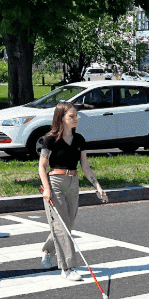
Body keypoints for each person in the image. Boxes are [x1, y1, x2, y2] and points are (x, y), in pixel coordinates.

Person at [38, 103, 108, 282]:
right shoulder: (50, 139)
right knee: (62, 227)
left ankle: (47, 249)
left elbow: (85, 166)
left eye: (76, 116)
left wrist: (97, 186)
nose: (76, 119)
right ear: (61, 118)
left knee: (66, 224)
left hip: (73, 182)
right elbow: (42, 166)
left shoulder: (79, 139)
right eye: (72, 116)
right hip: (55, 182)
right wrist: (46, 188)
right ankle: (67, 267)